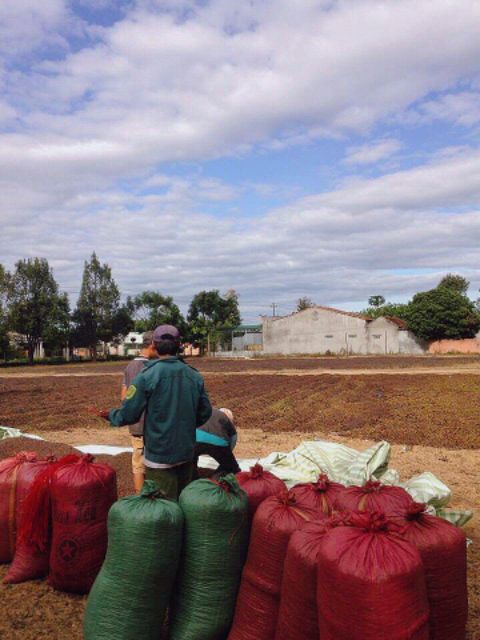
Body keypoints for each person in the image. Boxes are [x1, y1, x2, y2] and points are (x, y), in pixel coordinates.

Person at [93, 324, 212, 500]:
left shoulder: (146, 376)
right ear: (179, 345)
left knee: (162, 507)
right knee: (183, 501)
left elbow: (129, 413)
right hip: (186, 453)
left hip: (159, 455)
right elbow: (205, 412)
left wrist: (110, 415)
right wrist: (186, 424)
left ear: (154, 346)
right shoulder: (194, 376)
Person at [121, 330, 157, 493]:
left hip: (136, 425)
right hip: (153, 425)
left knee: (138, 463)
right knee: (157, 462)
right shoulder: (153, 367)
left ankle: (140, 497)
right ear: (153, 345)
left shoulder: (130, 367)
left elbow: (125, 397)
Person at [195, 407, 241, 475]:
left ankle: (193, 476)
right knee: (233, 469)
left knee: (190, 463)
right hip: (218, 442)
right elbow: (231, 444)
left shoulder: (206, 411)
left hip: (195, 439)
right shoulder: (228, 423)